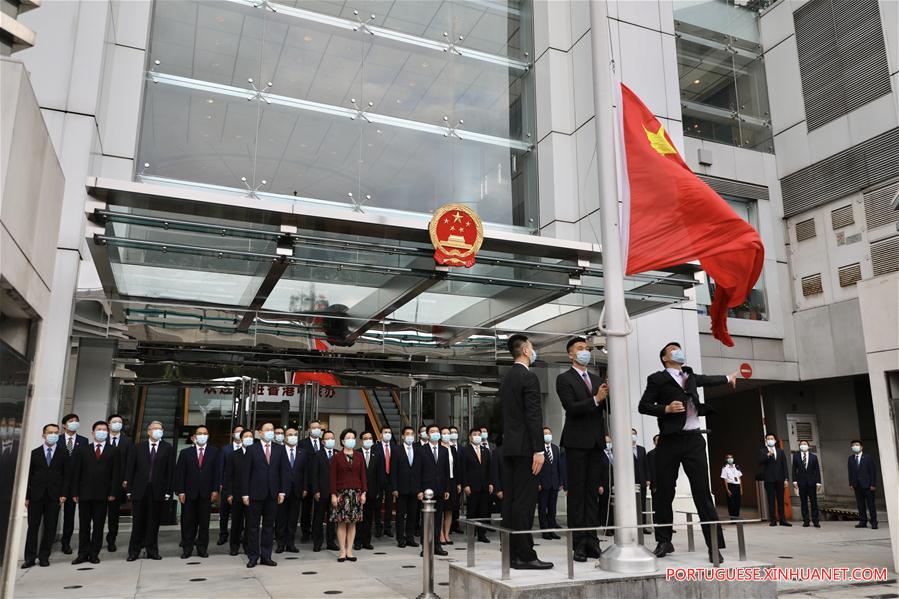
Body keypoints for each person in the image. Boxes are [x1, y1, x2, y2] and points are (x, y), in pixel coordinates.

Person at [638, 341, 738, 564]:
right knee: (664, 492)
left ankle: (714, 545)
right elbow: (643, 405)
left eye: (679, 348)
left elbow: (707, 380)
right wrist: (665, 409)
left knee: (702, 492)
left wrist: (728, 378)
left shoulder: (689, 375)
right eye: (673, 349)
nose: (678, 351)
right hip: (669, 441)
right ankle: (664, 540)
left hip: (694, 440)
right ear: (665, 358)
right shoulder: (657, 378)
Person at [500, 334, 552, 570]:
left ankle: (511, 553)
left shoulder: (507, 377)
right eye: (532, 347)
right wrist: (539, 449)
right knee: (525, 501)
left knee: (511, 501)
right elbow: (533, 415)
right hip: (525, 449)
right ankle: (525, 554)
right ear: (524, 350)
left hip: (510, 447)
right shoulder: (528, 377)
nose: (534, 350)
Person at [555, 337, 609, 561]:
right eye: (580, 349)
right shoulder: (563, 378)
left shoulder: (597, 379)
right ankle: (578, 543)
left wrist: (609, 395)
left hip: (596, 442)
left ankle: (592, 541)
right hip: (576, 442)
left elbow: (607, 408)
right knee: (577, 494)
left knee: (592, 494)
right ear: (571, 355)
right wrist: (596, 399)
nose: (585, 352)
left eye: (587, 348)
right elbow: (571, 407)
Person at [67, 420, 122, 564]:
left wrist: (113, 492)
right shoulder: (82, 450)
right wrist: (74, 492)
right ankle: (82, 553)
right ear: (92, 433)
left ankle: (94, 553)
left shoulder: (114, 450)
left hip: (103, 495)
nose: (102, 432)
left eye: (104, 430)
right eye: (99, 429)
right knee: (84, 526)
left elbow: (116, 474)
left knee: (98, 525)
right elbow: (76, 473)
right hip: (84, 494)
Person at [242, 422, 289, 567]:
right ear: (260, 433)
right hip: (255, 494)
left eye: (272, 430)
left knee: (269, 527)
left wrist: (282, 491)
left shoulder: (279, 449)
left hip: (273, 494)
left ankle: (266, 556)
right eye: (267, 430)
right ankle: (253, 556)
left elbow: (283, 471)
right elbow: (246, 474)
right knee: (253, 527)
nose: (270, 432)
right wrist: (245, 494)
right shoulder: (251, 449)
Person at [125, 420, 173, 561]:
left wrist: (168, 491)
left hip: (157, 490)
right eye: (155, 428)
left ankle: (152, 550)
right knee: (138, 522)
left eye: (161, 429)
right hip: (140, 490)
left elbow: (170, 472)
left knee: (153, 522)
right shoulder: (138, 447)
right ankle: (134, 551)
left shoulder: (167, 448)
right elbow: (130, 469)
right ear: (148, 431)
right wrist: (129, 489)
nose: (159, 431)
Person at [23, 423, 67, 568]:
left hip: (54, 497)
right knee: (33, 527)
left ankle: (44, 556)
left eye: (56, 432)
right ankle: (29, 558)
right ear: (43, 435)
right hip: (35, 496)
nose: (53, 435)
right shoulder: (34, 453)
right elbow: (28, 476)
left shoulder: (63, 453)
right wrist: (26, 496)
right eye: (50, 432)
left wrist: (63, 494)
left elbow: (66, 476)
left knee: (50, 527)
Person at [174, 425, 220, 559]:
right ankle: (187, 549)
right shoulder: (185, 453)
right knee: (188, 522)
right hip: (189, 494)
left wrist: (215, 489)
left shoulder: (214, 452)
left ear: (208, 436)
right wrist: (180, 491)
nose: (202, 436)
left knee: (204, 523)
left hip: (206, 494)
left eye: (204, 433)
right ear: (194, 436)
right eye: (199, 433)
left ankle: (202, 548)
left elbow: (217, 473)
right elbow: (180, 473)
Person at [330, 428, 367, 562]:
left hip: (356, 493)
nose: (351, 440)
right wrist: (333, 495)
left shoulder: (359, 456)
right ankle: (342, 551)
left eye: (353, 437)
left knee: (352, 523)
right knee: (341, 523)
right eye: (348, 437)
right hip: (341, 494)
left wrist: (363, 493)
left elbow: (363, 475)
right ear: (342, 440)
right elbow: (332, 477)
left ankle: (350, 551)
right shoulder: (336, 457)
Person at [416, 424, 450, 556]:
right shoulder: (421, 450)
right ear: (428, 435)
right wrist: (419, 490)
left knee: (437, 519)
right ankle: (426, 547)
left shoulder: (444, 450)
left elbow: (446, 470)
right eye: (432, 431)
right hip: (426, 490)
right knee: (426, 519)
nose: (436, 433)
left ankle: (437, 545)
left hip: (440, 489)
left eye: (437, 431)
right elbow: (417, 472)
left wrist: (447, 488)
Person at [277, 427, 309, 553]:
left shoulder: (303, 452)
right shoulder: (279, 451)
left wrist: (305, 487)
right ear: (285, 437)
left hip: (297, 490)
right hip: (282, 491)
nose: (293, 436)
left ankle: (291, 543)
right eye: (290, 434)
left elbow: (305, 472)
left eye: (295, 434)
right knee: (281, 519)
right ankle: (280, 544)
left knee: (293, 519)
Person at [105, 414, 133, 553]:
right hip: (101, 482)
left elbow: (129, 461)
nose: (117, 423)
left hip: (118, 482)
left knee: (114, 514)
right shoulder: (102, 438)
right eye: (114, 421)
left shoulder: (127, 441)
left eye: (120, 422)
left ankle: (111, 540)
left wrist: (126, 479)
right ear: (108, 424)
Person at [59, 413, 87, 555]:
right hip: (58, 484)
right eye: (71, 421)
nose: (74, 423)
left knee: (69, 516)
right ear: (64, 425)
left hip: (74, 484)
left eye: (76, 421)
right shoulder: (57, 440)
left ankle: (66, 543)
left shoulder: (83, 441)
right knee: (52, 515)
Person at [223, 430, 255, 555]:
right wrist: (229, 493)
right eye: (246, 436)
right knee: (236, 522)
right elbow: (228, 476)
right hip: (236, 494)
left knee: (251, 523)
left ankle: (248, 546)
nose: (248, 438)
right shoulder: (233, 455)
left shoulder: (257, 454)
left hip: (253, 494)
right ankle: (234, 546)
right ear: (241, 439)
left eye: (251, 436)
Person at [460, 427, 492, 543]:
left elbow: (489, 469)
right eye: (475, 434)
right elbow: (463, 469)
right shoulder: (465, 451)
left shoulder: (486, 450)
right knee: (472, 511)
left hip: (484, 485)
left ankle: (482, 534)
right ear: (470, 437)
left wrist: (491, 483)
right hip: (472, 486)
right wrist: (465, 485)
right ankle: (471, 534)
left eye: (479, 434)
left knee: (483, 511)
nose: (477, 436)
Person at [310, 430, 339, 551]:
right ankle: (317, 542)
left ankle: (331, 542)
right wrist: (316, 491)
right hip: (321, 492)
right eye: (328, 438)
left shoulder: (338, 454)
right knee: (318, 518)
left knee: (332, 518)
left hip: (334, 492)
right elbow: (314, 474)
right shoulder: (317, 454)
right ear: (323, 441)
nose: (330, 440)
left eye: (332, 438)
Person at [391, 426, 420, 548]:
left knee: (413, 514)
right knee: (400, 515)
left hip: (414, 488)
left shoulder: (418, 449)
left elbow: (419, 470)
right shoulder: (397, 450)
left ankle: (410, 537)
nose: (410, 436)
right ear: (403, 436)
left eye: (412, 434)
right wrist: (394, 488)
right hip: (401, 488)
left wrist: (420, 489)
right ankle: (400, 539)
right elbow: (393, 471)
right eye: (407, 434)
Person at [217, 424, 244, 545]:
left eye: (241, 432)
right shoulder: (225, 449)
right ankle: (223, 534)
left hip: (241, 487)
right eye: (237, 432)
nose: (239, 433)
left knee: (239, 514)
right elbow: (221, 467)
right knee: (224, 512)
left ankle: (239, 534)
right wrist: (221, 484)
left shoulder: (248, 448)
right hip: (227, 485)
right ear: (233, 434)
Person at [537, 427, 565, 541]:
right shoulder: (538, 450)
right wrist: (537, 483)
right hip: (543, 484)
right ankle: (545, 531)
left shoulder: (555, 448)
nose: (547, 435)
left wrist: (561, 482)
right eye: (545, 434)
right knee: (542, 509)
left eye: (549, 433)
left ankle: (552, 530)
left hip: (554, 483)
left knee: (552, 509)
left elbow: (559, 467)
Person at [354, 431, 381, 551]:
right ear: (361, 440)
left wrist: (379, 491)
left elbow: (380, 474)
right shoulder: (356, 453)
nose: (368, 440)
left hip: (372, 491)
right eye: (366, 438)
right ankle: (358, 541)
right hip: (359, 490)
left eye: (370, 438)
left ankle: (367, 541)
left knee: (369, 517)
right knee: (359, 517)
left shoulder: (377, 453)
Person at [299, 420, 324, 542]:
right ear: (309, 429)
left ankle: (317, 532)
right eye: (314, 428)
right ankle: (305, 532)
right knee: (306, 509)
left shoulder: (323, 443)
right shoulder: (302, 443)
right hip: (307, 482)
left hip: (320, 482)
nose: (317, 430)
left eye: (319, 428)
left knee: (319, 509)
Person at [759, 433, 791, 527]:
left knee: (780, 500)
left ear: (775, 440)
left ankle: (782, 520)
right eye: (768, 439)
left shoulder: (780, 451)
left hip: (780, 479)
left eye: (771, 438)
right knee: (771, 500)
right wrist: (767, 455)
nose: (770, 440)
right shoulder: (762, 451)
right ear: (766, 441)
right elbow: (760, 462)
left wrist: (786, 478)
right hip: (769, 479)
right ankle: (773, 520)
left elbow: (784, 465)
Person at [847, 440, 878, 529]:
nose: (855, 446)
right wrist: (851, 483)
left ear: (861, 447)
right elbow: (850, 472)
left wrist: (873, 484)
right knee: (860, 505)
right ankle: (862, 521)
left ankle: (874, 522)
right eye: (853, 445)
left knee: (871, 504)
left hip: (868, 485)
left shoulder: (868, 457)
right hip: (857, 485)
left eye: (857, 445)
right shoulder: (851, 458)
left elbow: (872, 471)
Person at [791, 440, 821, 527]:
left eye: (805, 444)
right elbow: (794, 470)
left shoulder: (814, 457)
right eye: (801, 444)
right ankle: (806, 521)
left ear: (808, 446)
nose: (803, 445)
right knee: (803, 502)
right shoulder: (796, 456)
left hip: (812, 483)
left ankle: (816, 521)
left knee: (814, 502)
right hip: (801, 482)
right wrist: (795, 481)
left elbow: (817, 470)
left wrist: (818, 482)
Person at [439, 426, 460, 545]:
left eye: (448, 433)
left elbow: (456, 467)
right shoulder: (438, 448)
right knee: (441, 509)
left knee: (449, 510)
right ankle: (440, 534)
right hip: (442, 482)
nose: (447, 435)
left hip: (452, 481)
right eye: (445, 433)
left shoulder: (452, 449)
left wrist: (458, 483)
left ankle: (447, 534)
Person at [372, 426, 394, 539]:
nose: (387, 434)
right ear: (380, 435)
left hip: (391, 479)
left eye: (389, 432)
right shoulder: (375, 447)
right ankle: (378, 527)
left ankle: (388, 527)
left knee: (389, 504)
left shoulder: (395, 447)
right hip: (378, 480)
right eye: (385, 432)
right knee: (377, 504)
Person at [632, 428, 650, 533]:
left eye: (634, 434)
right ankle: (633, 526)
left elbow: (646, 465)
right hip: (631, 482)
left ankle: (642, 526)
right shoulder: (624, 449)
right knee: (632, 505)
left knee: (642, 504)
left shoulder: (641, 449)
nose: (632, 436)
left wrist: (648, 478)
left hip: (642, 480)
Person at [448, 426, 463, 533]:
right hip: (448, 480)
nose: (454, 434)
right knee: (448, 504)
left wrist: (460, 482)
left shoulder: (462, 448)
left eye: (455, 432)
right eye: (451, 432)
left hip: (457, 480)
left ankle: (455, 523)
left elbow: (460, 467)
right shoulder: (445, 447)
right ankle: (448, 527)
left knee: (456, 504)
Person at [720, 454, 743, 519]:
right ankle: (732, 518)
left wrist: (741, 488)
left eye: (731, 457)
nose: (730, 459)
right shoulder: (725, 468)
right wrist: (727, 490)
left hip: (737, 486)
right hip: (731, 486)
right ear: (726, 460)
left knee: (737, 502)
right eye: (728, 458)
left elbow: (739, 478)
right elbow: (725, 480)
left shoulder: (737, 466)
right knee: (731, 503)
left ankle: (737, 517)